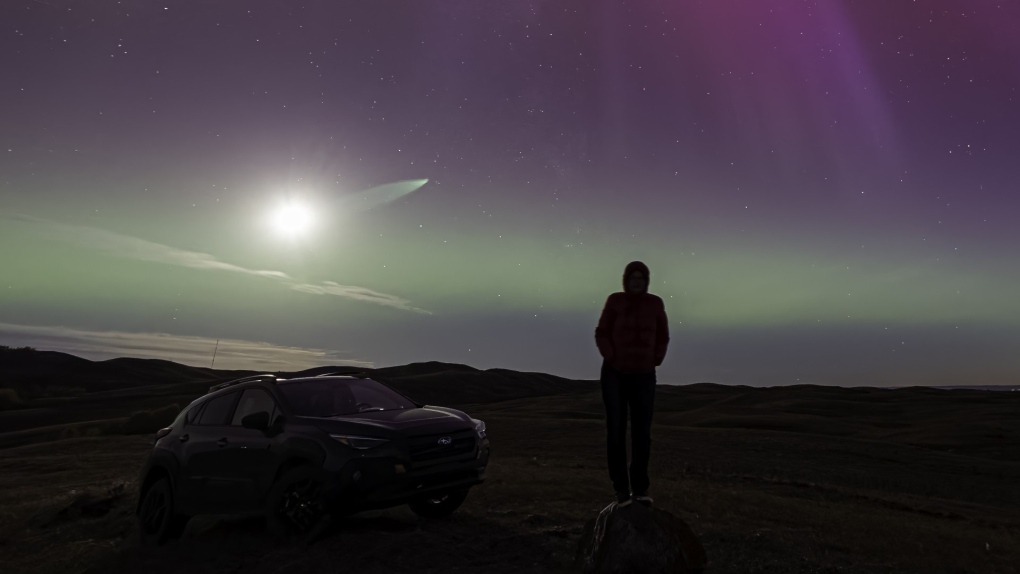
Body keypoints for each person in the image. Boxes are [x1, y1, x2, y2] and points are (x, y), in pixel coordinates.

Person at [594, 261, 669, 507]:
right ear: (626, 279)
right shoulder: (615, 301)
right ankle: (621, 490)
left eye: (641, 277)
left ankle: (639, 489)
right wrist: (611, 355)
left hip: (644, 375)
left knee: (642, 434)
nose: (637, 281)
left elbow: (663, 335)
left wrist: (655, 358)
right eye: (632, 277)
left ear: (646, 280)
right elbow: (602, 332)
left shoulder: (655, 303)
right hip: (614, 374)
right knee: (616, 432)